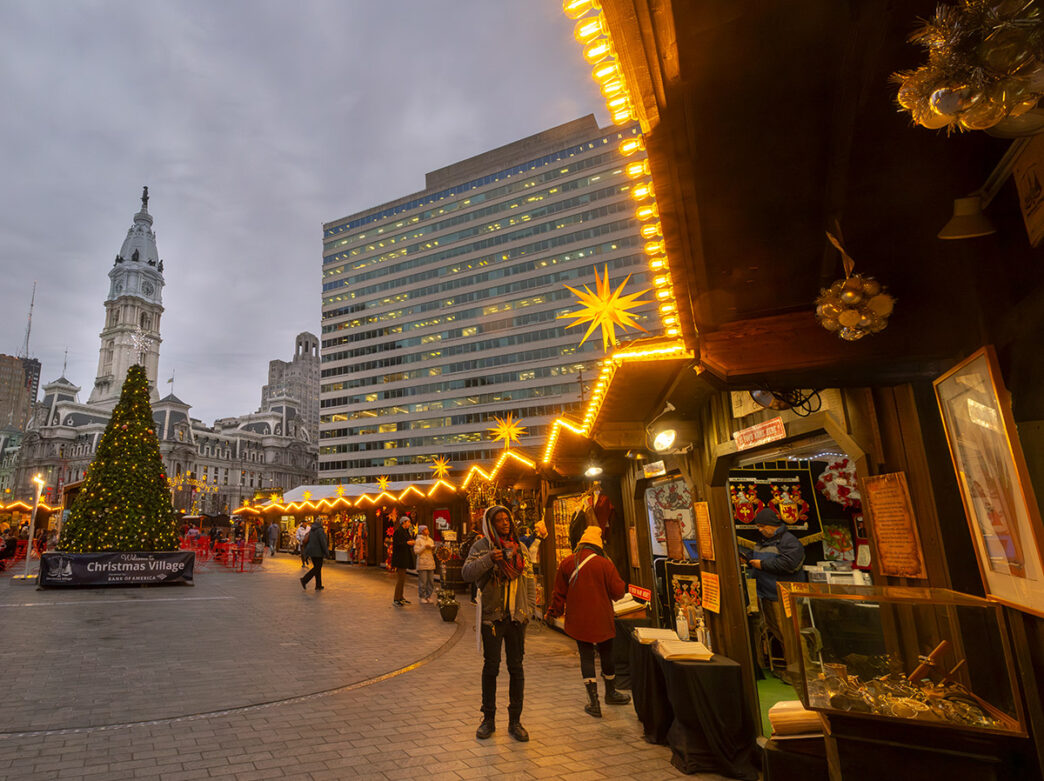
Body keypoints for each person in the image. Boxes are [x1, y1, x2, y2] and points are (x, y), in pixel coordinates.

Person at [462, 505, 537, 743]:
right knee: (491, 667)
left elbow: (529, 580)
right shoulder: (482, 547)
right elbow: (467, 573)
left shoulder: (521, 548)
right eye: (499, 520)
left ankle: (515, 721)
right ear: (490, 525)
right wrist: (488, 560)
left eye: (507, 519)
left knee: (516, 668)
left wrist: (530, 610)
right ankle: (488, 719)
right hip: (492, 617)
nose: (505, 523)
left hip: (516, 618)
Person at [546, 525, 630, 718]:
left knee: (586, 657)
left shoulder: (567, 563)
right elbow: (618, 592)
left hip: (578, 618)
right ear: (598, 545)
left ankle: (594, 702)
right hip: (602, 616)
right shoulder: (605, 564)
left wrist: (553, 612)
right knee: (607, 653)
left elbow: (558, 593)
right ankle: (611, 692)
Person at [742, 507, 806, 684]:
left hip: (784, 595)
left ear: (772, 525)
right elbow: (756, 556)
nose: (760, 530)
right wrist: (747, 558)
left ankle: (802, 674)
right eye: (758, 526)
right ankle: (791, 670)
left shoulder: (790, 541)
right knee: (779, 633)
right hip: (767, 594)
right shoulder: (762, 541)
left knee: (792, 635)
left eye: (762, 526)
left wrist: (762, 564)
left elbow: (790, 564)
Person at [300, 519, 329, 591]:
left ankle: (318, 585)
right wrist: (327, 553)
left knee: (317, 567)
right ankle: (304, 579)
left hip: (311, 551)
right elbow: (323, 542)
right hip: (318, 552)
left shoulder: (312, 529)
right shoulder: (320, 530)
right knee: (317, 568)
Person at [391, 516, 415, 606]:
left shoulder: (406, 531)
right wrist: (407, 543)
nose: (409, 524)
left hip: (405, 557)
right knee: (400, 579)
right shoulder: (398, 532)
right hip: (400, 558)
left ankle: (401, 597)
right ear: (403, 522)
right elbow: (397, 544)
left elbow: (407, 541)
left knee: (403, 579)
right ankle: (396, 599)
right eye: (408, 522)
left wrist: (411, 542)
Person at [413, 525, 437, 604]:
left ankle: (429, 596)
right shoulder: (418, 540)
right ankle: (422, 596)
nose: (427, 530)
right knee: (423, 581)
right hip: (422, 563)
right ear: (422, 531)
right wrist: (424, 547)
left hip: (430, 563)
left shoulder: (430, 540)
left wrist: (433, 549)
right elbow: (416, 551)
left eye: (427, 529)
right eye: (425, 529)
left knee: (431, 581)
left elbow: (433, 553)